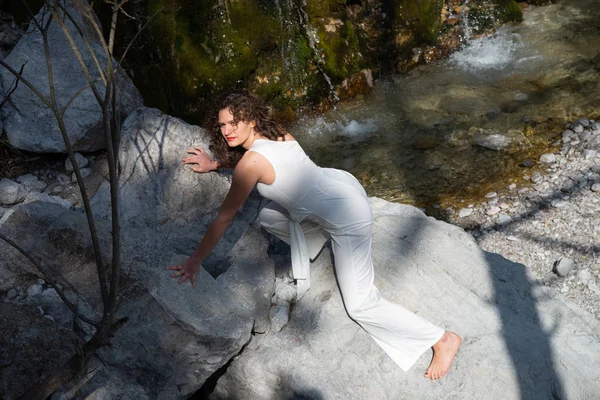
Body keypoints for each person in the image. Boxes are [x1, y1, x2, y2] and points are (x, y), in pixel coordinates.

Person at [166, 91, 461, 380]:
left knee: (361, 305)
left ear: (251, 121)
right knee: (269, 216)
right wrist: (216, 163)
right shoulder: (276, 132)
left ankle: (441, 338)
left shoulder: (250, 162)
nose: (227, 131)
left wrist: (195, 261)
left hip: (349, 220)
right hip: (342, 188)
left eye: (235, 123)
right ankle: (316, 240)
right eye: (222, 125)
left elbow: (225, 216)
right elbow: (252, 163)